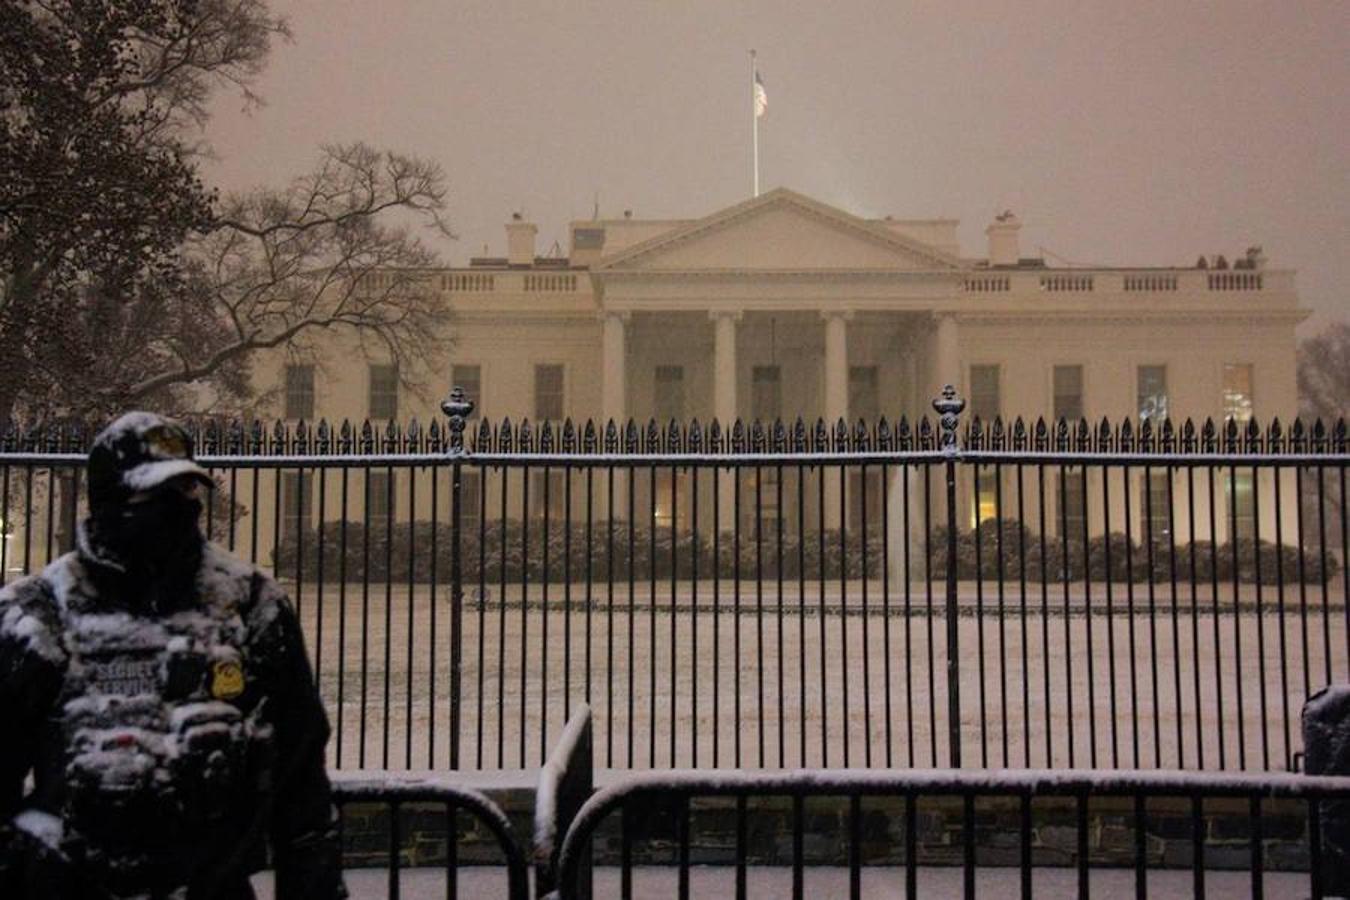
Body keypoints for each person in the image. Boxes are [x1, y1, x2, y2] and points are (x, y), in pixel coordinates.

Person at [0, 412, 346, 898]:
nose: (178, 508)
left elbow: (301, 780)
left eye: (186, 492)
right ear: (107, 500)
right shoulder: (36, 615)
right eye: (152, 495)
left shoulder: (250, 604)